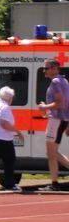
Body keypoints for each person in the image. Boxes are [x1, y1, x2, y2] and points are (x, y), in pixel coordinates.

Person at [38, 58, 69, 191]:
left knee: (51, 153)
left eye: (47, 68)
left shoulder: (56, 82)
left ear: (55, 68)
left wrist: (45, 107)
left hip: (56, 119)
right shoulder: (64, 81)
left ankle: (54, 183)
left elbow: (60, 103)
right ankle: (54, 183)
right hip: (62, 119)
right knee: (53, 152)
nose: (44, 70)